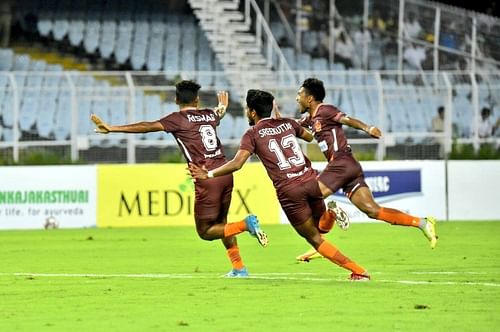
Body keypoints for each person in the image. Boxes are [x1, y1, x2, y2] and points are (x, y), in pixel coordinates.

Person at [90, 80, 268, 278]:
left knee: (206, 231)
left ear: (176, 99)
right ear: (197, 100)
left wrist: (112, 128)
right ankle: (239, 268)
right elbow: (218, 114)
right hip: (225, 173)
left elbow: (147, 126)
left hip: (206, 177)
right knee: (222, 224)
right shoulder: (208, 114)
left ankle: (245, 225)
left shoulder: (177, 119)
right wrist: (222, 107)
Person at [189, 89, 370, 281]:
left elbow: (237, 163)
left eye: (246, 109)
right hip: (310, 180)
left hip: (290, 191)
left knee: (314, 239)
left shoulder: (252, 134)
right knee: (319, 228)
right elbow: (310, 137)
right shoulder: (288, 123)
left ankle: (358, 271)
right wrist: (282, 121)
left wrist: (208, 173)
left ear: (252, 112)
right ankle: (331, 214)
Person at [294, 78, 438, 260]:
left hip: (341, 163)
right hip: (350, 166)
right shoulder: (310, 119)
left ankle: (321, 238)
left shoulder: (325, 110)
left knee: (309, 196)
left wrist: (367, 128)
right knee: (372, 210)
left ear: (310, 98)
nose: (296, 98)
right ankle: (422, 222)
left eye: (299, 95)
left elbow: (347, 120)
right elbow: (290, 124)